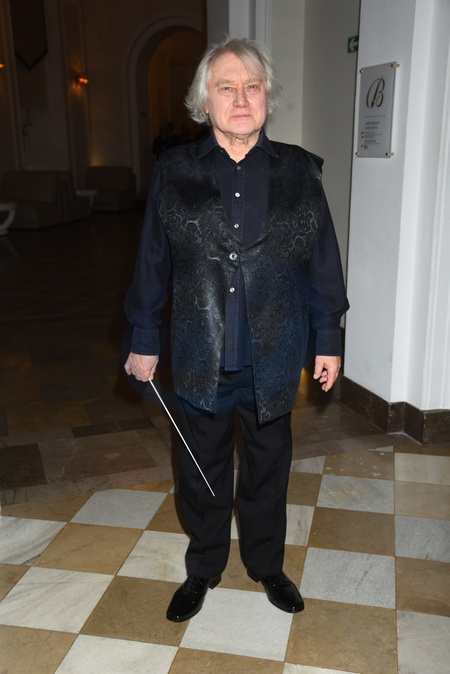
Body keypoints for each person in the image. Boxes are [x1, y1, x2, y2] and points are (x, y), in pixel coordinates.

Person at [124, 37, 349, 623]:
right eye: (227, 87)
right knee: (202, 470)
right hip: (200, 348)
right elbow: (151, 262)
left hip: (275, 352)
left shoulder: (301, 170)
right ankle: (203, 569)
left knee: (269, 469)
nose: (241, 98)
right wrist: (144, 338)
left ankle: (267, 565)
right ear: (205, 101)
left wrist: (328, 339)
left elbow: (323, 263)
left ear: (267, 96)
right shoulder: (174, 171)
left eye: (252, 86)